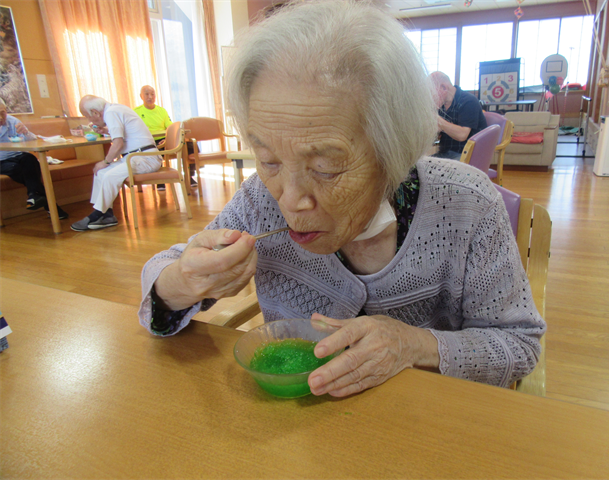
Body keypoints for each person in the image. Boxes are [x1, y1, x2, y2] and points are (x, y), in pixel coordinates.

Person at [139, 0, 545, 396]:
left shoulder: (467, 203)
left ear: (394, 149)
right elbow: (165, 270)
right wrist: (182, 282)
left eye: (326, 169)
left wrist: (415, 345)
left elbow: (519, 344)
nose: (291, 200)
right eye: (268, 160)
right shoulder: (259, 201)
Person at [71, 95, 162, 231]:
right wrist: (107, 131)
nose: (88, 120)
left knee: (108, 174)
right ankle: (107, 215)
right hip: (136, 157)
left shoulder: (111, 112)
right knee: (100, 172)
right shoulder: (114, 109)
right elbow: (126, 133)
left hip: (145, 158)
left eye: (87, 116)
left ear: (95, 112)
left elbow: (118, 144)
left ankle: (97, 214)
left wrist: (106, 161)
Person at [0, 98, 68, 220]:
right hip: (1, 161)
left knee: (30, 159)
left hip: (19, 156)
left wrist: (25, 132)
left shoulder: (12, 121)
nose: (1, 117)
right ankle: (47, 204)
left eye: (2, 112)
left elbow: (33, 140)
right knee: (26, 171)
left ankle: (34, 196)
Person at [430, 71, 487, 160]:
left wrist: (439, 121)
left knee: (426, 170)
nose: (431, 97)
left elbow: (462, 135)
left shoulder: (469, 101)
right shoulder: (441, 105)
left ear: (444, 87)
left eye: (432, 93)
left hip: (468, 155)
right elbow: (436, 134)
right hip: (446, 154)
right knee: (416, 167)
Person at [134, 85, 172, 190]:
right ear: (141, 96)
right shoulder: (136, 112)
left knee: (187, 144)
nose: (150, 97)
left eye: (152, 94)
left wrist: (168, 139)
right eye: (146, 94)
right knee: (154, 149)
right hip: (147, 142)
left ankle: (190, 175)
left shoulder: (162, 111)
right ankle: (160, 181)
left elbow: (170, 127)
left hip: (163, 140)